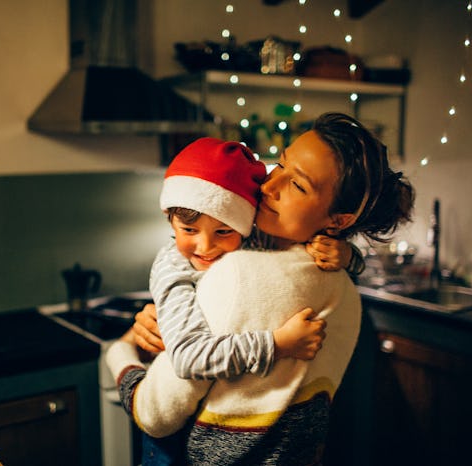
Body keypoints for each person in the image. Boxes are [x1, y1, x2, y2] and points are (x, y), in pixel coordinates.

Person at [106, 112, 415, 464]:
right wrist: (346, 254)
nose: (268, 186)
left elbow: (158, 414)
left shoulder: (238, 275)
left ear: (339, 221)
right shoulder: (338, 282)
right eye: (279, 166)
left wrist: (122, 351)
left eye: (297, 185)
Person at [141, 136, 359, 464]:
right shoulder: (173, 269)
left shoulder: (253, 238)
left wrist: (348, 254)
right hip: (172, 447)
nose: (205, 247)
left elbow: (318, 246)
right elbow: (187, 359)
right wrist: (277, 345)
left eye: (223, 232)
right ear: (170, 220)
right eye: (189, 230)